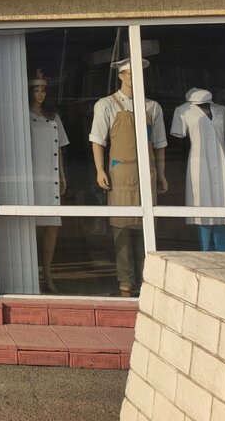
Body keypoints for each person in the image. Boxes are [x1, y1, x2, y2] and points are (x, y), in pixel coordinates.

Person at [89, 58, 167, 296]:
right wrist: (100, 169)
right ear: (121, 76)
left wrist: (162, 173)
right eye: (130, 74)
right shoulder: (106, 105)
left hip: (147, 172)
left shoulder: (152, 107)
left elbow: (159, 143)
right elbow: (97, 140)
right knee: (121, 227)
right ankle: (125, 282)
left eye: (138, 73)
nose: (135, 78)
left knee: (146, 228)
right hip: (120, 173)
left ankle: (147, 281)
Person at [171, 87, 225, 251]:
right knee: (202, 206)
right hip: (199, 164)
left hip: (221, 162)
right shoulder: (183, 111)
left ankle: (224, 252)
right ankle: (205, 251)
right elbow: (180, 142)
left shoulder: (221, 110)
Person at [29, 69, 68, 294]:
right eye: (36, 90)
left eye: (43, 90)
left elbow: (59, 148)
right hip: (33, 177)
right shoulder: (24, 116)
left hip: (50, 175)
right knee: (32, 226)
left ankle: (48, 273)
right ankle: (32, 273)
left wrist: (61, 175)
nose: (40, 94)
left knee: (52, 225)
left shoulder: (54, 117)